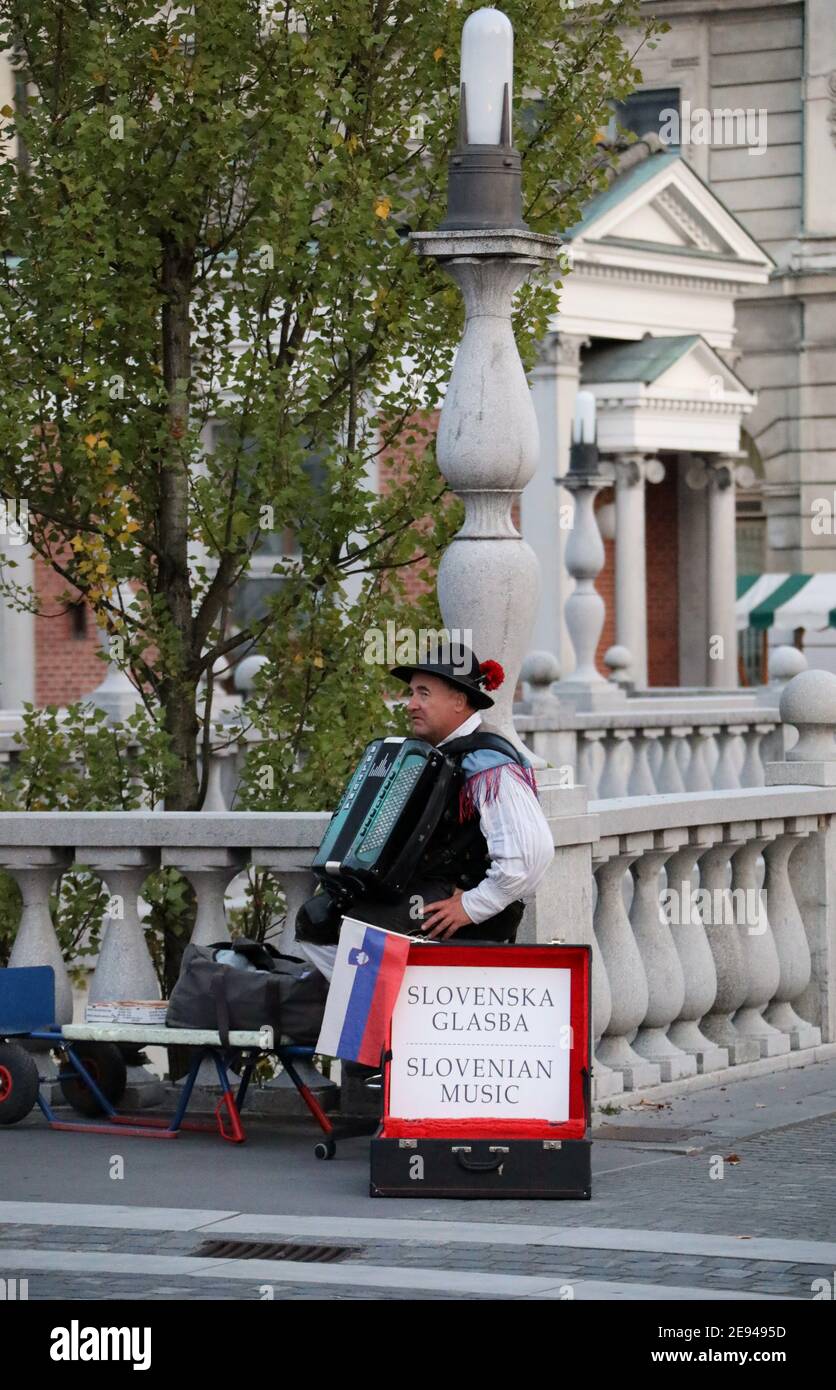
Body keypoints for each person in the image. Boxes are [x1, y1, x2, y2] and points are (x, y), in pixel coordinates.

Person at [294, 648, 554, 975]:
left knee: (354, 932)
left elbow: (533, 852)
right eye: (412, 693)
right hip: (428, 890)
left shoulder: (488, 761)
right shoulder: (436, 757)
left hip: (466, 901)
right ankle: (393, 1009)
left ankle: (391, 1015)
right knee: (319, 919)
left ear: (459, 701)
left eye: (423, 693)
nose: (411, 704)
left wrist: (473, 905)